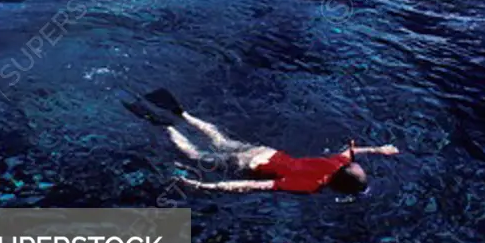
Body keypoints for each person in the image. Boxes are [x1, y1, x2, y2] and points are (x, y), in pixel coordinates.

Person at [126, 89, 399, 195]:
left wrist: (378, 149)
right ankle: (167, 125)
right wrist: (204, 185)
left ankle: (182, 113)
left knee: (220, 139)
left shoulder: (336, 163)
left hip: (266, 152)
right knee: (196, 156)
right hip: (250, 165)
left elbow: (349, 151)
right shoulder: (311, 185)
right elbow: (253, 185)